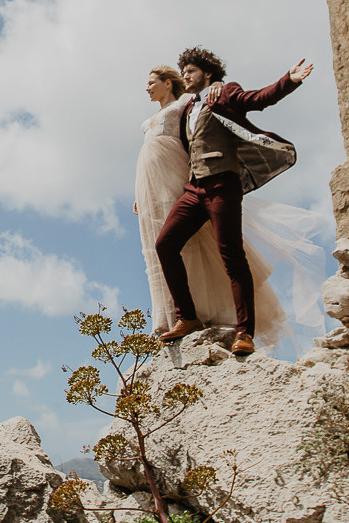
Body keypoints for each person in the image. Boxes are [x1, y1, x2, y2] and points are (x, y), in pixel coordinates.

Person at [135, 60, 324, 353]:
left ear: (208, 74)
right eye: (183, 70)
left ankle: (244, 332)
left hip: (222, 184)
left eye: (191, 71)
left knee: (231, 256)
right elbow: (175, 149)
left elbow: (259, 99)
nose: (185, 75)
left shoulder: (224, 93)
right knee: (166, 244)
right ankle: (187, 316)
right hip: (194, 187)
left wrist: (290, 79)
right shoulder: (187, 109)